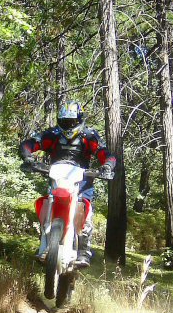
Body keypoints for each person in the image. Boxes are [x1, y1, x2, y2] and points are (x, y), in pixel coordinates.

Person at [19, 100, 115, 268]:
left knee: (85, 211)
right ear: (59, 121)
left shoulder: (89, 136)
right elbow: (30, 143)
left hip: (82, 181)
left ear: (79, 120)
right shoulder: (54, 134)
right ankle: (44, 241)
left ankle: (83, 250)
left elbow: (105, 153)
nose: (68, 125)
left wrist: (107, 166)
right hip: (57, 179)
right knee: (46, 202)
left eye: (72, 122)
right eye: (65, 122)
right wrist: (28, 156)